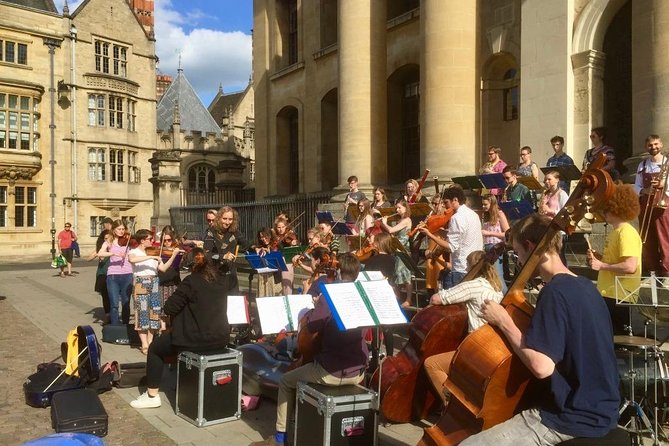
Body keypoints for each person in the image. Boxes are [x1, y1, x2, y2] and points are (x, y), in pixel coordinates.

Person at [460, 214, 619, 445]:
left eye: (518, 253)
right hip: (605, 411)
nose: (518, 260)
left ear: (530, 247)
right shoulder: (588, 287)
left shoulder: (554, 292)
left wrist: (504, 321)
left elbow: (542, 366)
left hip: (571, 416)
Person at [249, 254, 369, 446]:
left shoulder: (329, 297)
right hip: (359, 371)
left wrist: (316, 305)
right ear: (357, 274)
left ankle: (280, 439)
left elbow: (311, 327)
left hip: (331, 372)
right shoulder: (364, 296)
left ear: (338, 272)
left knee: (287, 381)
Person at [130, 247, 231, 409]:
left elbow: (170, 308)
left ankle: (152, 395)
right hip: (221, 338)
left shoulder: (191, 281)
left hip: (195, 338)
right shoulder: (222, 280)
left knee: (155, 348)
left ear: (192, 265)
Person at [423, 250, 504, 404]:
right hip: (491, 345)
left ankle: (452, 407)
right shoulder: (497, 288)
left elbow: (437, 299)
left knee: (432, 364)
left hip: (475, 348)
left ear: (472, 267)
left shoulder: (473, 285)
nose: (466, 270)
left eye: (468, 266)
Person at [587, 184, 642, 335]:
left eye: (607, 208)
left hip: (620, 296)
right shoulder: (616, 232)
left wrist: (602, 265)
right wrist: (597, 258)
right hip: (610, 293)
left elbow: (630, 266)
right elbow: (615, 261)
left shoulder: (626, 233)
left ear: (616, 208)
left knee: (618, 341)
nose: (604, 212)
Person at [420, 185, 483, 289]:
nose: (445, 207)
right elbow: (462, 236)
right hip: (475, 265)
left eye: (446, 203)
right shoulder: (473, 214)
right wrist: (437, 230)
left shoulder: (456, 218)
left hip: (461, 267)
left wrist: (429, 234)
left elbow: (450, 246)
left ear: (455, 200)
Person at [128, 229, 180, 354]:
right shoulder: (134, 251)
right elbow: (132, 260)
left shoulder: (155, 252)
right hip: (141, 281)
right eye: (150, 239)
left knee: (154, 313)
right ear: (142, 240)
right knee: (142, 313)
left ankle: (151, 343)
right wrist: (151, 256)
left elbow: (162, 268)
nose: (153, 241)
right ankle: (144, 343)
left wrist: (173, 256)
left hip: (154, 282)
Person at [634, 134, 669, 276]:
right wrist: (644, 190)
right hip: (646, 205)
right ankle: (653, 271)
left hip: (663, 205)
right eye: (650, 145)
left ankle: (667, 273)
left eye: (656, 144)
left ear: (661, 145)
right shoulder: (642, 165)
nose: (653, 147)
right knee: (648, 239)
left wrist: (663, 184)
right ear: (646, 147)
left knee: (665, 238)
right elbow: (636, 186)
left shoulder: (667, 162)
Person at [97, 220, 133, 325]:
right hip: (113, 275)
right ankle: (115, 325)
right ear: (114, 230)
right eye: (119, 229)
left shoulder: (129, 240)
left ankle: (126, 325)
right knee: (114, 303)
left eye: (123, 229)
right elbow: (100, 253)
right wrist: (114, 253)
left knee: (126, 303)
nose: (121, 231)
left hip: (127, 274)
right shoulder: (109, 242)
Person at [380, 199, 414, 307]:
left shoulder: (407, 220)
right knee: (395, 274)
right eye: (396, 208)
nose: (397, 210)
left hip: (404, 249)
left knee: (406, 275)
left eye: (399, 207)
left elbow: (391, 230)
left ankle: (409, 300)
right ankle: (397, 297)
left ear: (405, 208)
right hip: (397, 249)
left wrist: (384, 223)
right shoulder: (400, 220)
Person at [211, 206, 249, 294]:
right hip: (216, 274)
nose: (227, 222)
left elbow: (247, 244)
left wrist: (256, 248)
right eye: (225, 219)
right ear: (219, 218)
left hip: (231, 274)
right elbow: (207, 253)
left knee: (234, 302)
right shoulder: (211, 232)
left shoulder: (235, 232)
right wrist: (223, 256)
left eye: (230, 219)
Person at [539, 170, 570, 266]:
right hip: (547, 228)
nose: (546, 182)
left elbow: (566, 213)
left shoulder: (562, 194)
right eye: (545, 180)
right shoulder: (546, 194)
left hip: (558, 231)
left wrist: (550, 211)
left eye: (549, 179)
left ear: (557, 180)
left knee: (560, 257)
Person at [480, 194, 509, 293]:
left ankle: (506, 297)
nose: (483, 207)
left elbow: (507, 233)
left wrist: (489, 233)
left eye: (485, 204)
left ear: (492, 203)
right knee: (491, 276)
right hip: (487, 247)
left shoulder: (500, 214)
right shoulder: (485, 216)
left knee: (498, 275)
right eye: (482, 205)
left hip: (496, 247)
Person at [156, 226, 182, 332]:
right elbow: (162, 268)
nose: (166, 243)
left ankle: (172, 326)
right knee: (162, 305)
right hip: (162, 280)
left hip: (174, 280)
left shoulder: (177, 249)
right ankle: (163, 328)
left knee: (173, 305)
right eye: (164, 240)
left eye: (169, 240)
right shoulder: (159, 250)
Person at [89, 217, 113, 323]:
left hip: (112, 273)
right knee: (105, 294)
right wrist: (96, 254)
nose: (107, 240)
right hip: (102, 273)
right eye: (105, 239)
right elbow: (88, 259)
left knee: (113, 295)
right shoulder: (101, 248)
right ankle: (108, 315)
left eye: (109, 238)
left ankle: (113, 313)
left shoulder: (114, 246)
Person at [272, 215, 299, 294]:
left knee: (287, 285)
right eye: (279, 227)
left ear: (286, 227)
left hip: (287, 262)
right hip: (277, 263)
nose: (281, 229)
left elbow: (296, 244)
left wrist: (294, 242)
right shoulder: (274, 236)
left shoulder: (290, 235)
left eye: (283, 227)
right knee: (277, 287)